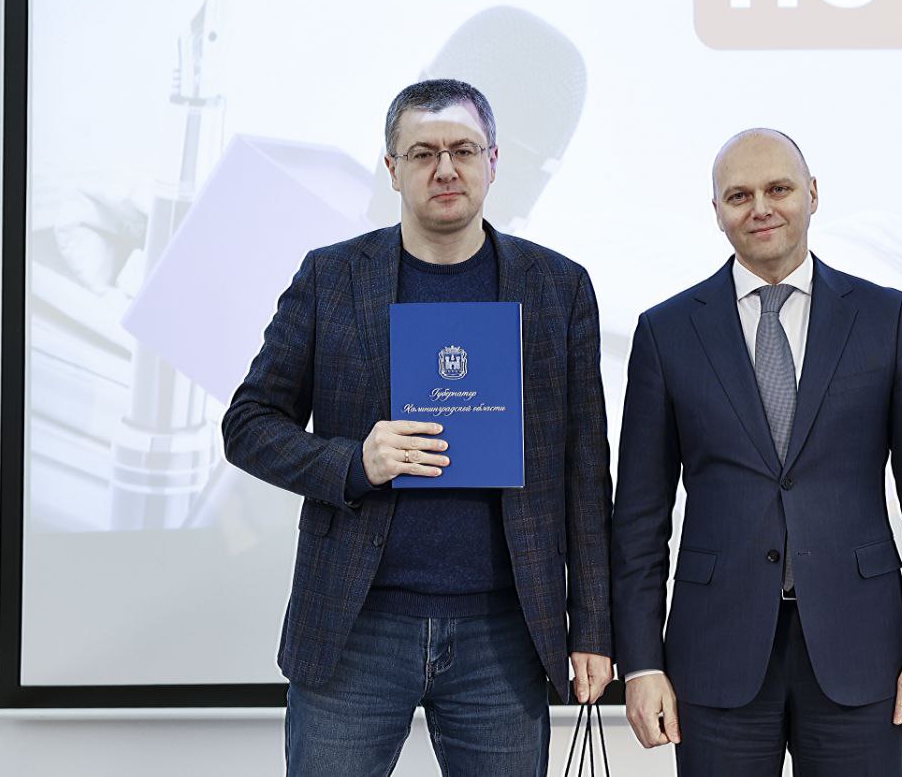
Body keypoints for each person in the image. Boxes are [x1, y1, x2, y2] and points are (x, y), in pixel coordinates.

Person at [222, 79, 613, 777]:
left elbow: (585, 474)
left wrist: (593, 627)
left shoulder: (558, 286)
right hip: (357, 624)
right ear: (392, 167)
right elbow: (248, 424)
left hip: (505, 631)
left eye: (464, 150)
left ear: (494, 162)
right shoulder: (332, 277)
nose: (445, 168)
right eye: (423, 153)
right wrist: (353, 462)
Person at [610, 128, 902, 775]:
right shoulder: (667, 331)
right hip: (714, 654)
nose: (761, 208)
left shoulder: (886, 318)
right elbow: (639, 517)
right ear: (716, 211)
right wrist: (640, 662)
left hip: (861, 650)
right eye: (738, 195)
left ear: (813, 194)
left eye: (778, 188)